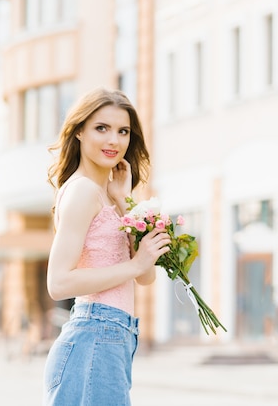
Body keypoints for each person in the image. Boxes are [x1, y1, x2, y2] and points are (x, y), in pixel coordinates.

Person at [43, 87, 171, 405]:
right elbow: (58, 283)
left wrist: (124, 201)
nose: (114, 140)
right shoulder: (83, 191)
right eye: (102, 128)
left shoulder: (106, 196)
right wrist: (135, 264)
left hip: (114, 337)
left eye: (123, 131)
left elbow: (146, 276)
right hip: (96, 333)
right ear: (79, 134)